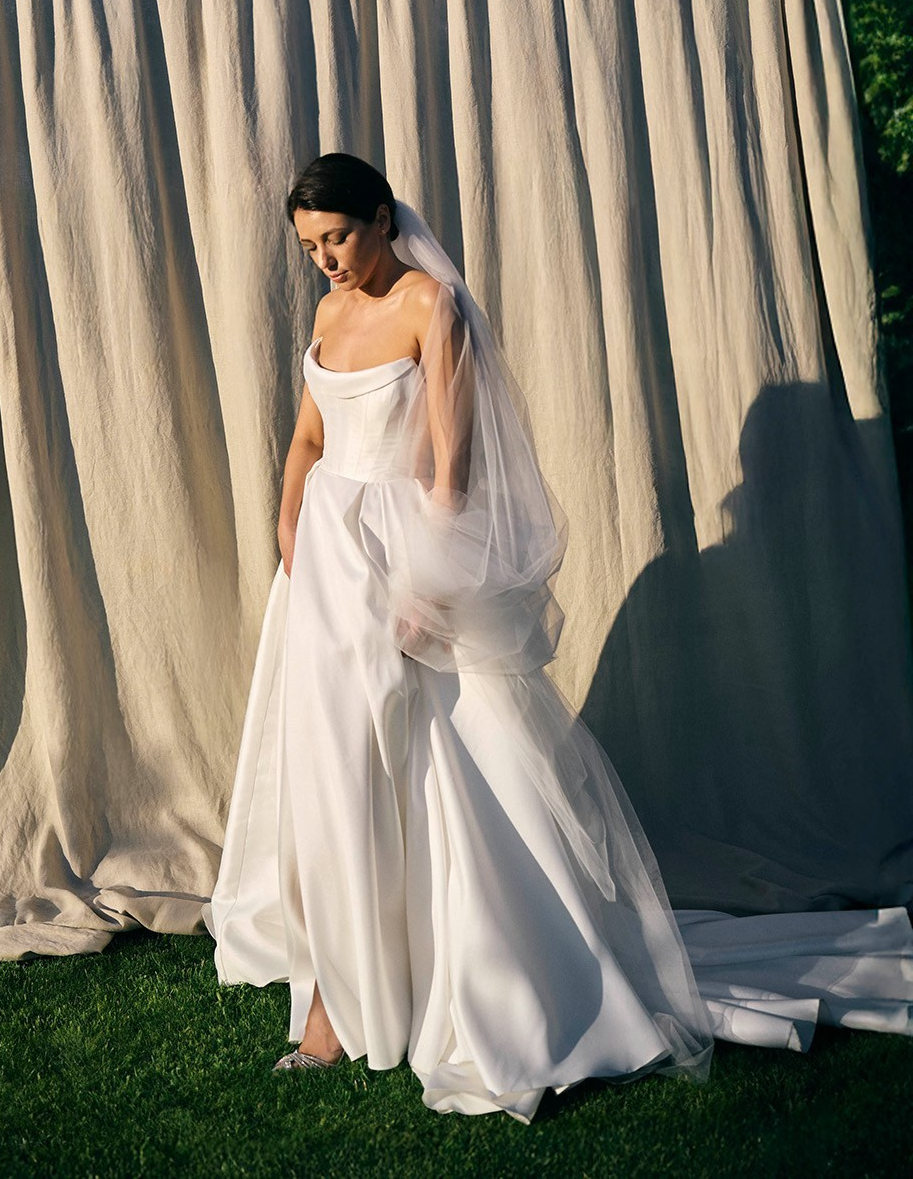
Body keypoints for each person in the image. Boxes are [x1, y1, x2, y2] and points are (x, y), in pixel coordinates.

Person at [202, 151, 715, 1122]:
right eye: (311, 246)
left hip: (400, 558)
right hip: (321, 565)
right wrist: (287, 517)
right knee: (325, 770)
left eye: (340, 236)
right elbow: (311, 435)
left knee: (419, 764)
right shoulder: (327, 313)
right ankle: (329, 1000)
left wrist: (428, 584)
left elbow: (450, 461)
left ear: (383, 217)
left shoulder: (432, 306)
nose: (328, 260)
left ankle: (451, 971)